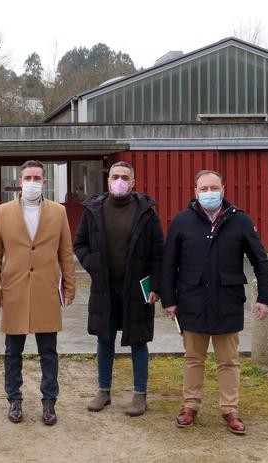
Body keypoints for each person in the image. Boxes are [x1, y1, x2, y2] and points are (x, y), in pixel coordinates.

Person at [161, 169, 268, 435]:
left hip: (228, 302)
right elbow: (169, 263)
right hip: (192, 301)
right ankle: (190, 406)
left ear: (223, 189)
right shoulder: (182, 221)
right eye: (204, 188)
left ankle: (230, 410)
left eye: (214, 187)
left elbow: (260, 260)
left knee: (229, 361)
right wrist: (169, 299)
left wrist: (266, 298)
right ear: (195, 191)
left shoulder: (241, 221)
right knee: (193, 359)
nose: (209, 193)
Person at [0, 160, 75, 426]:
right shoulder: (2, 212)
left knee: (48, 351)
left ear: (44, 182)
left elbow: (65, 253)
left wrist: (69, 287)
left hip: (46, 289)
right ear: (20, 181)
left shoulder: (58, 212)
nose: (32, 182)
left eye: (37, 177)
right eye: (28, 177)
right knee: (13, 351)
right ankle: (14, 399)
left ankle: (49, 401)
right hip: (13, 289)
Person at [73, 161, 164, 417]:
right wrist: (92, 265)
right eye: (115, 176)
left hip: (137, 289)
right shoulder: (94, 209)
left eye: (125, 177)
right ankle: (103, 390)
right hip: (104, 288)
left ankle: (139, 394)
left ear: (133, 182)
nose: (120, 181)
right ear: (108, 180)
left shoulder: (146, 212)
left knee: (139, 341)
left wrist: (156, 285)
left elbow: (159, 252)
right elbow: (79, 243)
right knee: (104, 340)